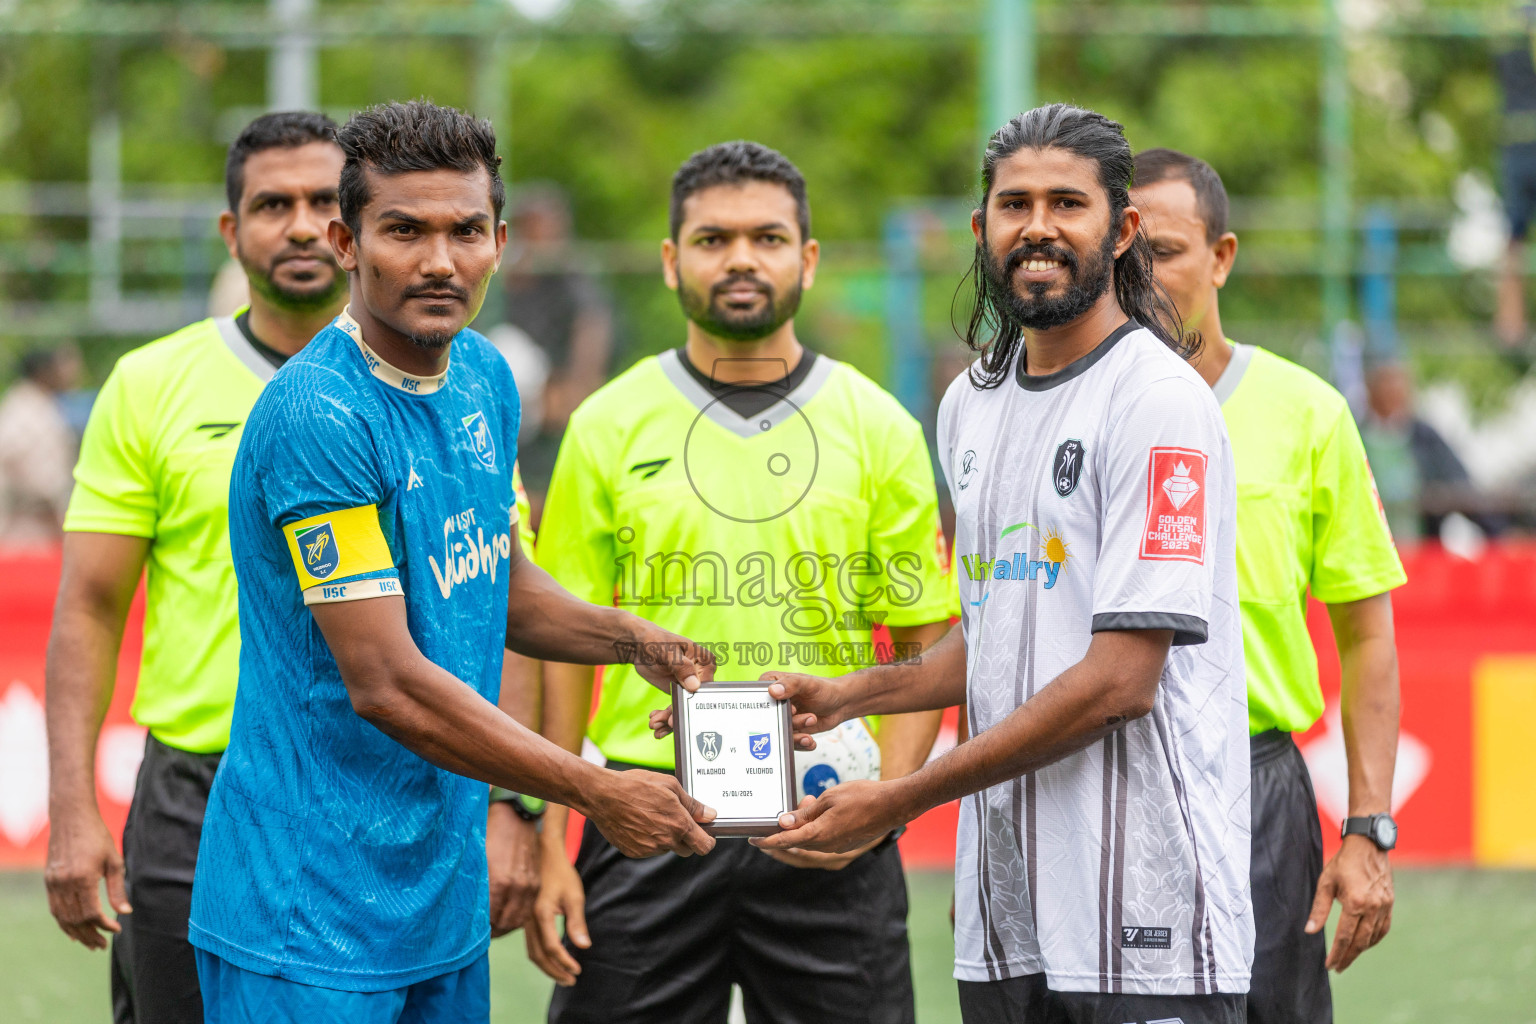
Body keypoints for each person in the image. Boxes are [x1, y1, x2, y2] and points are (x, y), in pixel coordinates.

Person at [186, 100, 718, 1023]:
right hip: (305, 915)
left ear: (500, 241)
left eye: (465, 230)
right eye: (404, 231)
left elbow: (490, 579)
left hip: (435, 900)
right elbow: (386, 681)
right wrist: (592, 788)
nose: (439, 261)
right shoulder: (319, 415)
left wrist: (627, 638)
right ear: (349, 244)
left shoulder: (482, 375)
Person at [741, 104, 1253, 1023]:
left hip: (1145, 914)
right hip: (1005, 913)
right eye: (1015, 205)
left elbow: (1119, 682)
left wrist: (900, 796)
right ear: (983, 229)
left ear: (1122, 229)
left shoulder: (1159, 402)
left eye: (1068, 203)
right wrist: (849, 693)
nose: (1039, 227)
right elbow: (1001, 634)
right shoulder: (970, 404)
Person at [528, 141, 953, 1024]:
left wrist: (882, 812)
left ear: (808, 258)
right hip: (648, 815)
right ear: (671, 260)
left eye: (767, 237)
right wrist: (553, 836)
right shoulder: (608, 425)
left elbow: (925, 649)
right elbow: (561, 645)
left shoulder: (879, 426)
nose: (741, 260)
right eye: (713, 239)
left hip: (824, 821)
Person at [43, 111, 350, 1024]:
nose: (299, 225)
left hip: (379, 779)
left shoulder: (433, 380)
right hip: (198, 793)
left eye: (324, 202)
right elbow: (90, 608)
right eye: (272, 204)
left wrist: (513, 807)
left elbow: (493, 595)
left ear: (361, 222)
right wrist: (72, 809)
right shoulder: (149, 383)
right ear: (232, 231)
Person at [1131, 147, 1407, 1024]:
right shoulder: (1059, 409)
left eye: (1165, 252)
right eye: (1121, 256)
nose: (1140, 277)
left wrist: (1366, 827)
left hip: (1257, 788)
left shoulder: (1308, 413)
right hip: (1096, 775)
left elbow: (1367, 636)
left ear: (1222, 257)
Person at [499, 183, 614, 507]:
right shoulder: (512, 273)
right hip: (524, 378)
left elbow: (592, 325)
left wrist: (577, 385)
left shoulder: (571, 274)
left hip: (557, 378)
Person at [1359, 358, 1505, 542]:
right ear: (1370, 389)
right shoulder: (1356, 435)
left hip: (1421, 546)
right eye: (1386, 383)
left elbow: (1460, 485)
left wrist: (1500, 531)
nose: (1393, 391)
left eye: (1398, 384)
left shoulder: (1424, 438)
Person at [0, 345, 83, 545]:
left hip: (42, 524)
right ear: (44, 372)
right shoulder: (25, 412)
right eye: (62, 366)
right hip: (27, 528)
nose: (70, 372)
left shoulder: (42, 405)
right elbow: (43, 483)